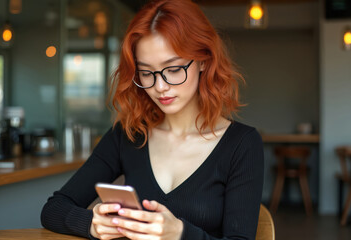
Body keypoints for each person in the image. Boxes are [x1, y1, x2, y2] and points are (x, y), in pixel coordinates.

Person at [41, 0, 264, 239]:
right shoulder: (128, 134)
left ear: (203, 60)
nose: (160, 87)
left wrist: (179, 233)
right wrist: (91, 224)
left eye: (173, 69)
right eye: (146, 73)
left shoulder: (242, 144)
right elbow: (53, 209)